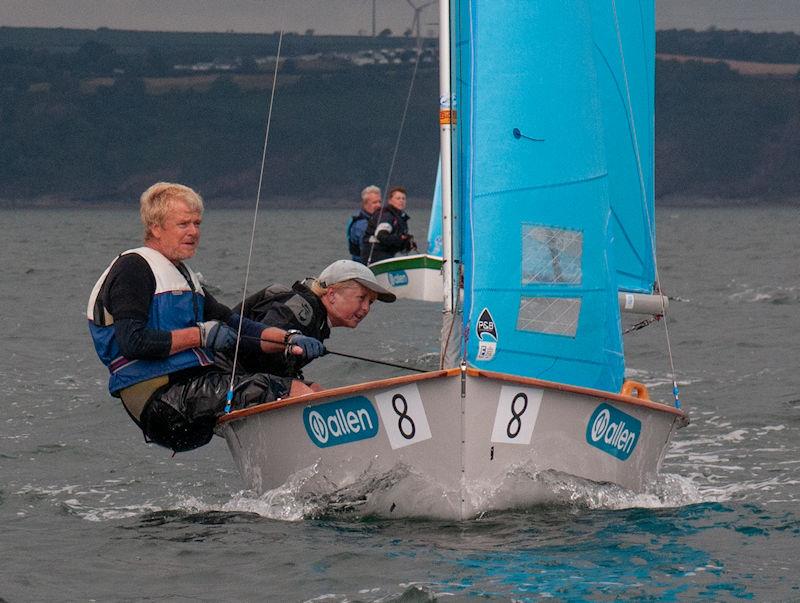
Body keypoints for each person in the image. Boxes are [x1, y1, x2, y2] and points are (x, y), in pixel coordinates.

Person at [86, 182, 325, 453]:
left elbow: (237, 326)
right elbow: (133, 342)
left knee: (313, 389)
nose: (193, 232)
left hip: (193, 388)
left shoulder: (183, 277)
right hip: (162, 401)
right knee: (295, 393)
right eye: (183, 224)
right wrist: (201, 335)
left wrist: (290, 339)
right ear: (155, 227)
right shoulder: (133, 268)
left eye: (197, 223)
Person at [233, 259, 396, 379]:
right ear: (332, 294)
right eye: (361, 298)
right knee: (302, 391)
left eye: (371, 302)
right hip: (222, 375)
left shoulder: (319, 322)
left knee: (313, 389)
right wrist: (292, 338)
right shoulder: (301, 309)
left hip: (245, 376)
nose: (366, 308)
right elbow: (257, 343)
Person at [360, 185, 415, 264]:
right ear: (390, 201)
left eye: (403, 198)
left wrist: (407, 243)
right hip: (374, 257)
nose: (401, 201)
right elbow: (381, 236)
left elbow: (394, 242)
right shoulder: (387, 215)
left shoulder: (401, 218)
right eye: (398, 198)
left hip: (386, 256)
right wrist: (400, 239)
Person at [346, 185, 382, 263]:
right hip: (363, 267)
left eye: (380, 202)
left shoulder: (378, 221)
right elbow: (366, 250)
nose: (379, 205)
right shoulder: (361, 225)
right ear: (365, 204)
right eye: (374, 202)